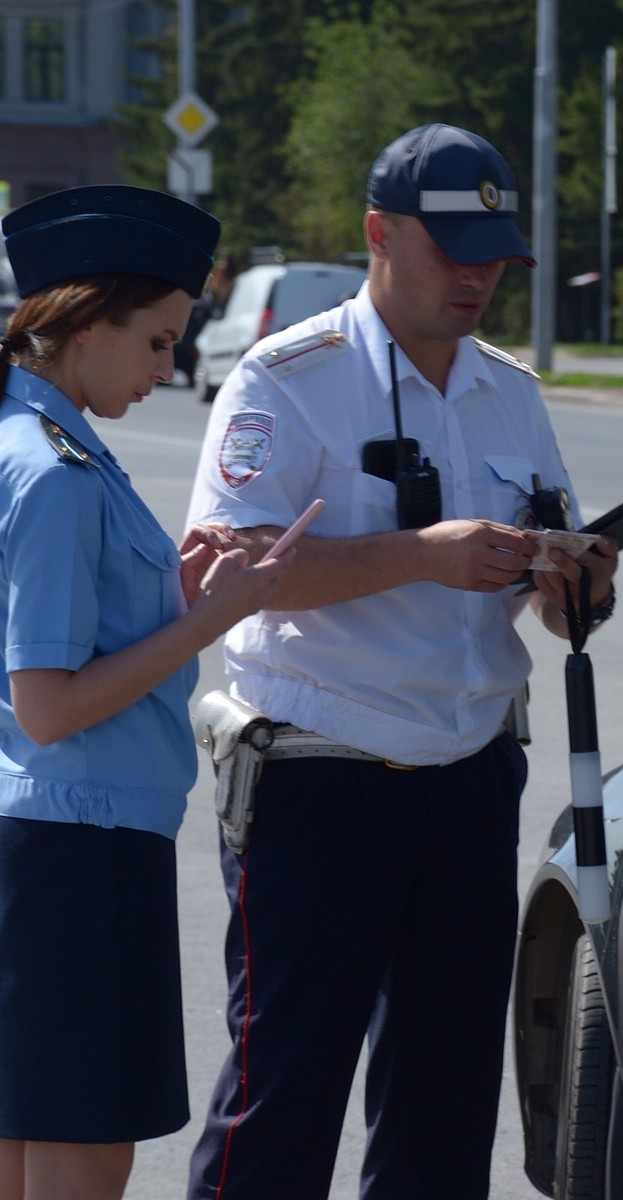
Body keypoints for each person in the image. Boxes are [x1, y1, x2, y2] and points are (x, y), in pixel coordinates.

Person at [185, 123, 619, 1200]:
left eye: (496, 255)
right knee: (285, 1092)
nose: (477, 275)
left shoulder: (508, 390)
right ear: (379, 232)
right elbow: (231, 566)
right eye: (453, 247)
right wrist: (416, 556)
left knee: (446, 1102)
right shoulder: (289, 377)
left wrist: (574, 583)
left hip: (469, 776)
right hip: (321, 771)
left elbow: (541, 570)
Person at [0, 186, 290, 1200]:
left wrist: (178, 595)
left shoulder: (33, 444)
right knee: (82, 1152)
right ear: (86, 320)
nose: (170, 370)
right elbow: (48, 703)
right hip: (78, 849)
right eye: (159, 342)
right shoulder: (57, 470)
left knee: (26, 1139)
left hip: (44, 843)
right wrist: (212, 619)